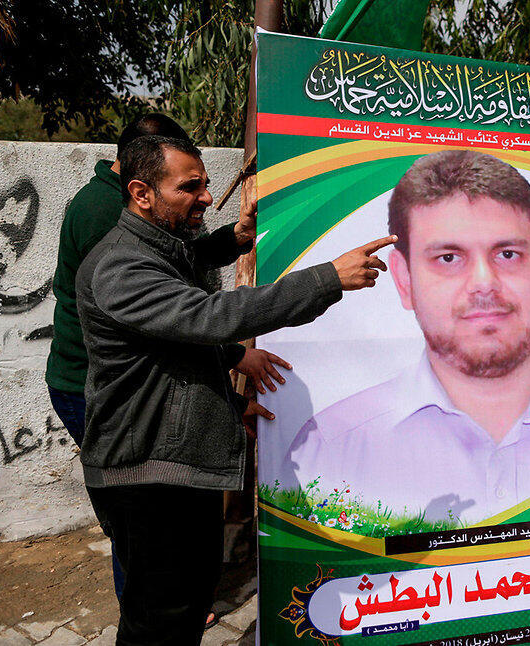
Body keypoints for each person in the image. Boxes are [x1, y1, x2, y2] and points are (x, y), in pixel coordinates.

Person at [75, 135, 395, 644]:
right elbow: (209, 318)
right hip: (150, 477)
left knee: (183, 608)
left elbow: (175, 346)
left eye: (205, 184)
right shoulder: (120, 266)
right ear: (141, 193)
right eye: (190, 187)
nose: (206, 196)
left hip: (176, 465)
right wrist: (326, 279)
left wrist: (233, 400)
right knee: (157, 621)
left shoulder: (157, 248)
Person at [284, 150, 530, 525]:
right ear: (404, 281)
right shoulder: (329, 450)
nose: (484, 283)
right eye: (449, 258)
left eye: (507, 253)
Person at [43, 113, 288, 609]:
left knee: (166, 541)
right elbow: (167, 316)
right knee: (144, 523)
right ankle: (150, 609)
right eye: (189, 185)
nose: (202, 196)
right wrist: (238, 353)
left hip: (139, 371)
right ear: (141, 183)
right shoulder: (101, 216)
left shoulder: (141, 214)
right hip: (95, 382)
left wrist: (236, 237)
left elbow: (181, 255)